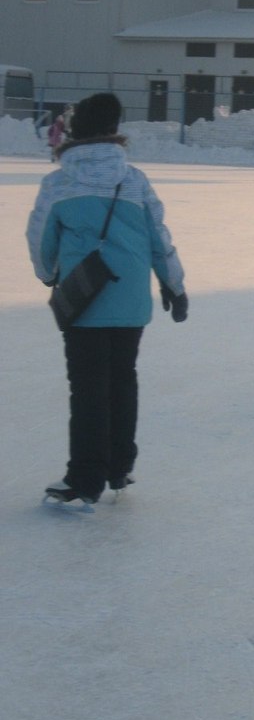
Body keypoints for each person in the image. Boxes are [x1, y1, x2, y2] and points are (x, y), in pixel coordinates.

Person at [26, 92, 188, 508]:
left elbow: (41, 240)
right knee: (122, 381)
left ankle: (85, 478)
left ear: (76, 129)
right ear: (115, 131)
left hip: (85, 301)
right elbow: (159, 238)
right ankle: (118, 467)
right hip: (131, 300)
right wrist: (174, 285)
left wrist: (50, 276)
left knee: (88, 389)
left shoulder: (59, 182)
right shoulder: (133, 180)